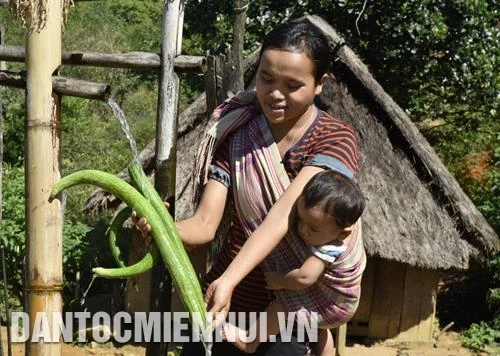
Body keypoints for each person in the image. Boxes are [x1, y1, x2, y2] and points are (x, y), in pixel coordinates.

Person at [136, 17, 363, 355]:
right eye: (266, 78)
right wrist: (164, 227)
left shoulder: (335, 139)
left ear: (319, 84)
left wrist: (228, 279)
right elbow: (205, 224)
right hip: (229, 304)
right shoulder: (239, 135)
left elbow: (283, 215)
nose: (275, 94)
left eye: (292, 85)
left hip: (291, 313)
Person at [222, 170, 366, 355]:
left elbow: (305, 277)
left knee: (283, 307)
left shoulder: (332, 247)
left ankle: (250, 340)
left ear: (342, 232)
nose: (302, 230)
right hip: (333, 309)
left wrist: (281, 280)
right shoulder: (329, 232)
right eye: (300, 219)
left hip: (335, 305)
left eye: (313, 228)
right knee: (319, 326)